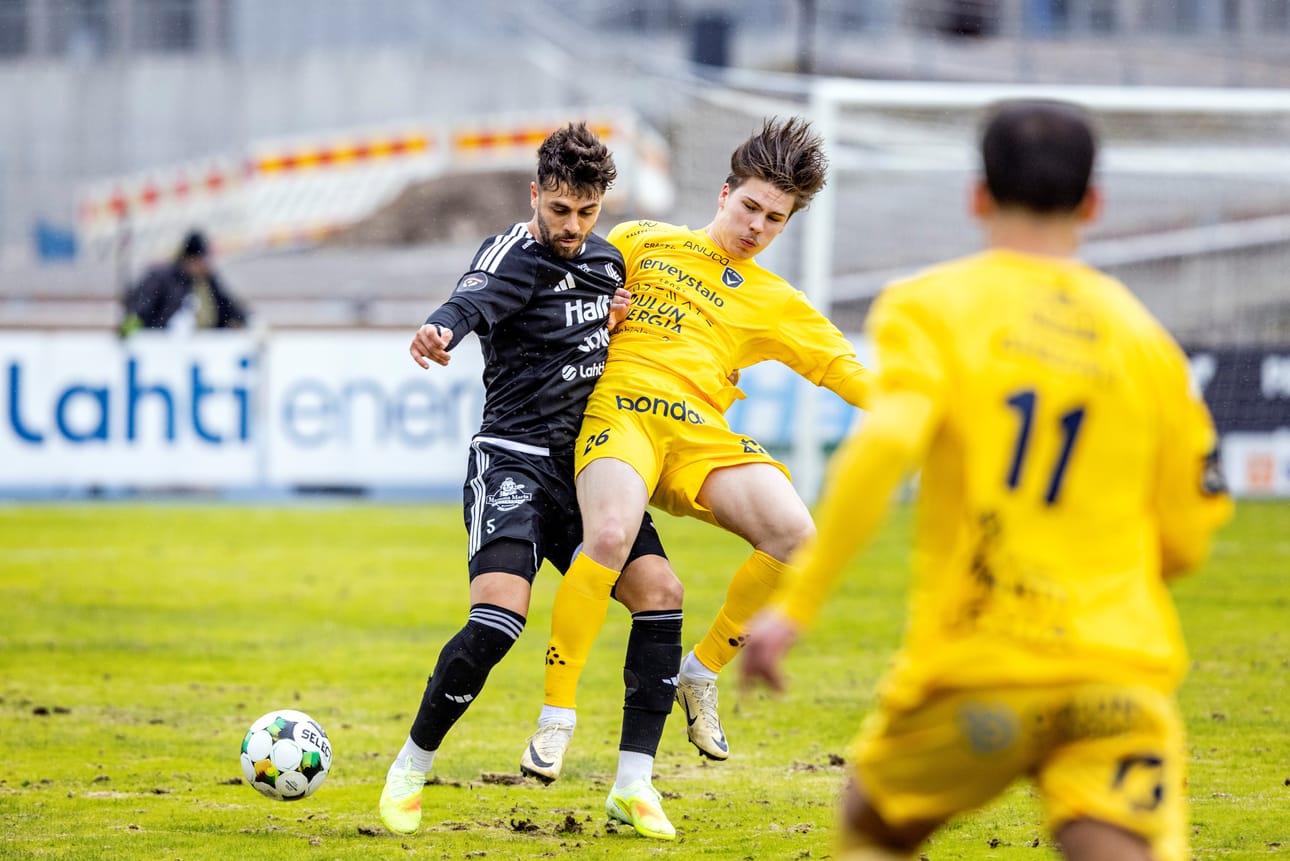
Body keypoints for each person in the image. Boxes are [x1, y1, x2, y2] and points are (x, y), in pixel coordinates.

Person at [740, 100, 1234, 861]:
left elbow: (886, 445)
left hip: (983, 666)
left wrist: (796, 605)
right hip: (1118, 672)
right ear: (1093, 203)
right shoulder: (1147, 343)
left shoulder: (933, 306)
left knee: (874, 821)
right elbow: (1188, 537)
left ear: (978, 195)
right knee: (1115, 842)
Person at [523, 117, 872, 776]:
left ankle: (701, 671)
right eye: (749, 207)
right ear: (722, 193)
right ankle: (555, 717)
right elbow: (559, 291)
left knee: (796, 533)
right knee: (610, 536)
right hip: (620, 411)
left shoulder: (776, 300)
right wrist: (599, 314)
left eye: (775, 218)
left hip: (696, 434)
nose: (756, 227)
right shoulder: (640, 239)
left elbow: (845, 370)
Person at [379, 122, 685, 841]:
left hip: (585, 471)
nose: (572, 227)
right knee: (497, 621)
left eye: (586, 212)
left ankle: (634, 785)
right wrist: (439, 330)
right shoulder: (510, 254)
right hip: (512, 460)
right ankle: (410, 769)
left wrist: (613, 325)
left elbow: (605, 336)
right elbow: (470, 301)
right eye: (559, 211)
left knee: (662, 594)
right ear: (535, 196)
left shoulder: (610, 264)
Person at [120, 230, 247, 334]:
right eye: (200, 260)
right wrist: (131, 326)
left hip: (206, 345)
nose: (204, 265)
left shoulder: (208, 280)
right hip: (165, 346)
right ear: (189, 259)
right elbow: (141, 308)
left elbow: (228, 306)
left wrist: (245, 319)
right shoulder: (162, 278)